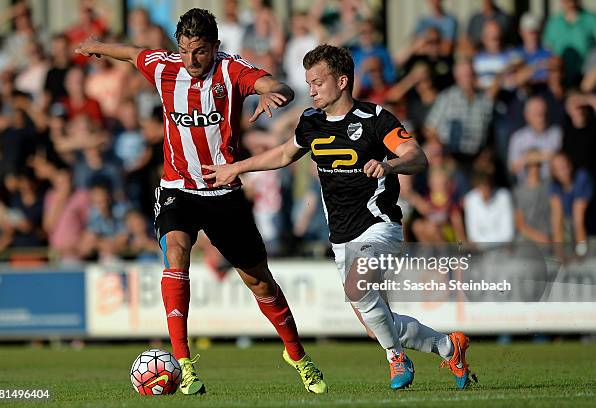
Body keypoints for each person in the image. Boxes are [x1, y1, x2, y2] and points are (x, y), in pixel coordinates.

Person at [75, 8, 326, 395]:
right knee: (175, 251)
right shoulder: (164, 66)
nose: (192, 60)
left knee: (259, 282)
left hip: (223, 191)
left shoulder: (230, 71)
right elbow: (132, 52)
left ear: (216, 47)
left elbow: (277, 84)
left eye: (201, 51)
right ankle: (185, 362)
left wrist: (276, 94)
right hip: (177, 189)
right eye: (186, 50)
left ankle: (298, 356)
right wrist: (96, 46)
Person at [203, 44, 474, 391]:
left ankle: (396, 359)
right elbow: (285, 153)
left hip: (379, 226)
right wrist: (236, 168)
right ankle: (449, 347)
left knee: (361, 293)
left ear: (342, 81)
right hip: (341, 238)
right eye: (308, 82)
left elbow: (417, 156)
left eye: (318, 81)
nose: (311, 89)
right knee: (380, 323)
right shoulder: (312, 121)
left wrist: (389, 164)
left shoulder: (376, 119)